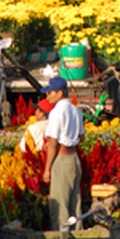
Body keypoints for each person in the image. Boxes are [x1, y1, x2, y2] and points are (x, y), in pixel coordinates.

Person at [42, 76, 84, 230]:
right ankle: (78, 234)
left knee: (60, 204)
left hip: (62, 159)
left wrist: (47, 169)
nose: (47, 96)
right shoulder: (75, 110)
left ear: (59, 93)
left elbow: (53, 143)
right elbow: (81, 136)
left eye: (50, 93)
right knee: (75, 202)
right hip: (74, 158)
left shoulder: (56, 112)